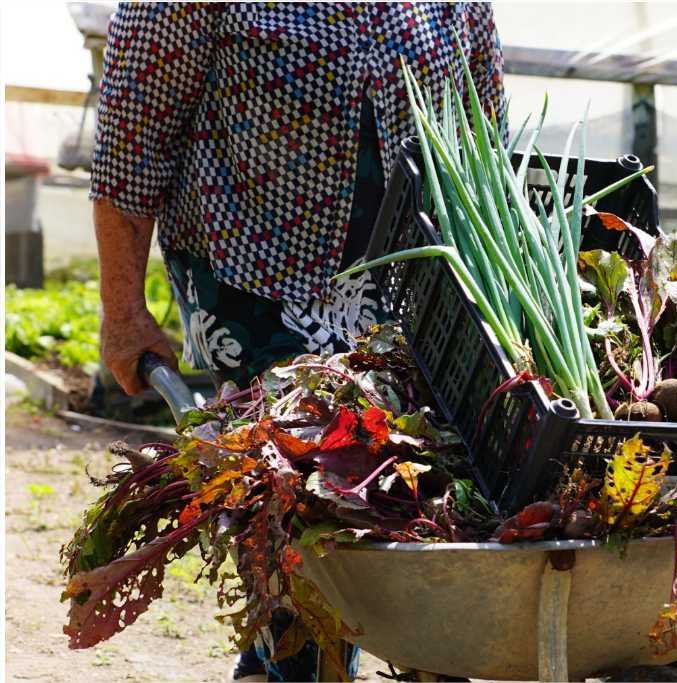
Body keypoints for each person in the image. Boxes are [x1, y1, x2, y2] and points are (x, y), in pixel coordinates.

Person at [90, 3, 504, 680]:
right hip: (252, 278)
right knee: (307, 498)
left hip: (405, 279)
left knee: (417, 495)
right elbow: (130, 143)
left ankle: (344, 661)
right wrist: (123, 311)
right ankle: (291, 665)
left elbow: (485, 138)